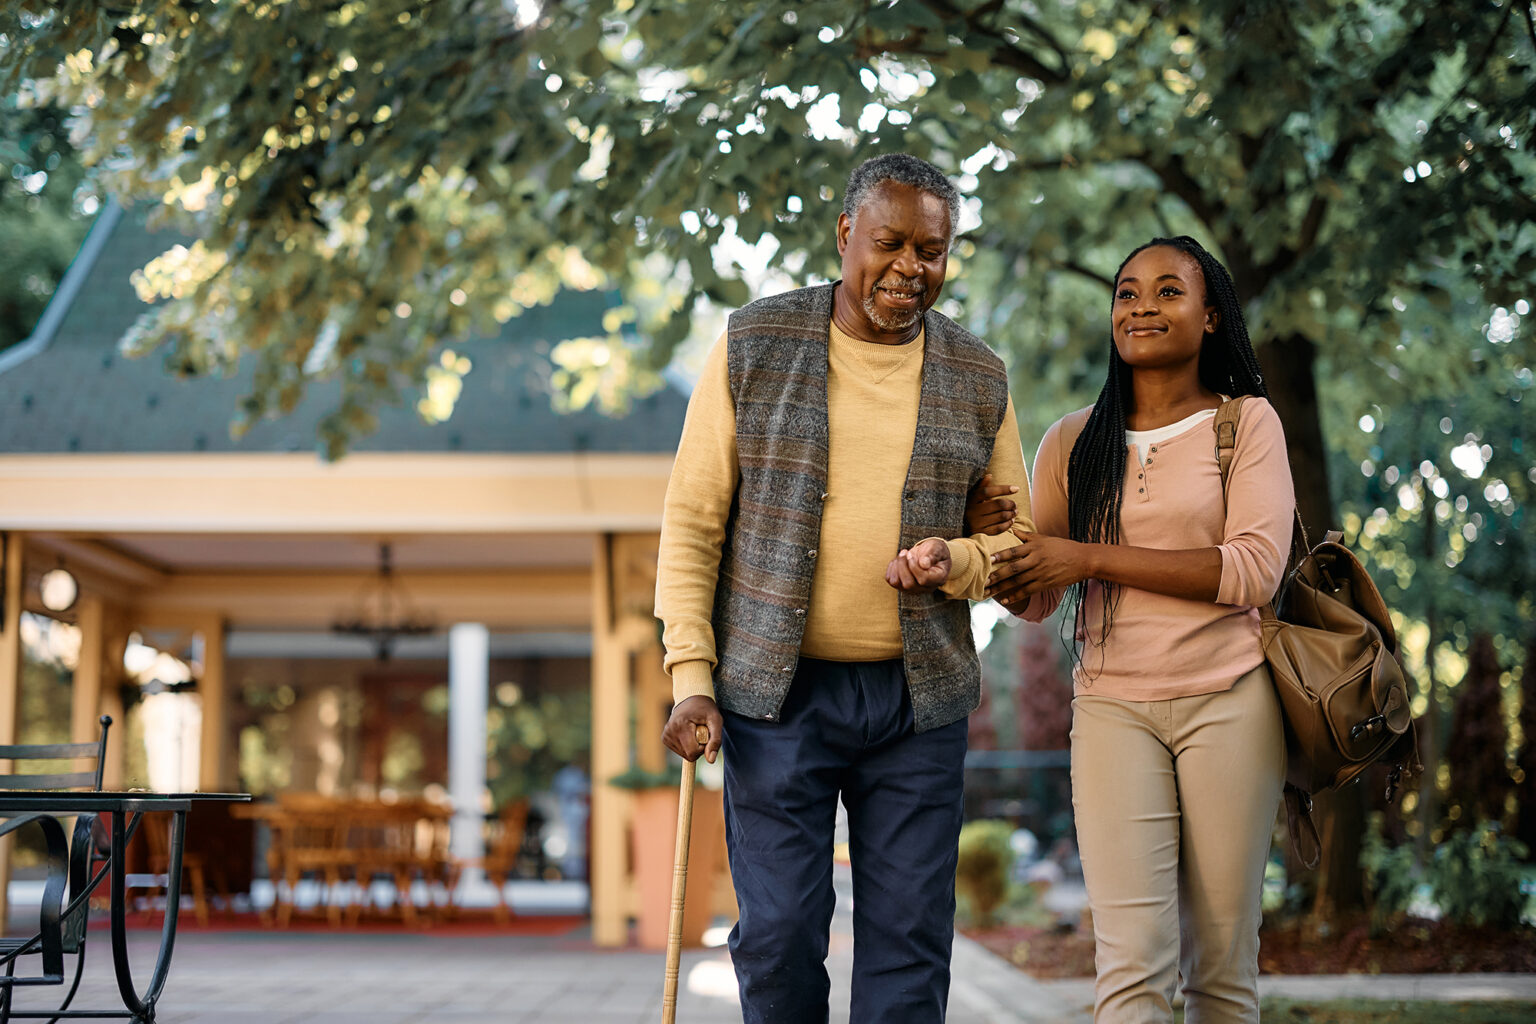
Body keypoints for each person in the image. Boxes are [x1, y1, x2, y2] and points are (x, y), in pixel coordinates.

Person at [655, 153, 1033, 1024]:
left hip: (918, 699)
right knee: (781, 936)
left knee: (909, 946)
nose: (910, 267)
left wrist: (959, 562)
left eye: (931, 251)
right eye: (890, 242)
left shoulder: (979, 376)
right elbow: (694, 520)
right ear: (845, 237)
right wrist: (691, 677)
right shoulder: (755, 343)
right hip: (774, 695)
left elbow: (1014, 537)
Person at [969, 236, 1294, 1023]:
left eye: (1168, 290)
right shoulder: (1072, 443)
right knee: (1130, 969)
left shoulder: (1244, 424)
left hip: (1230, 704)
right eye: (1126, 292)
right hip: (1115, 710)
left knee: (1220, 967)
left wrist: (1084, 555)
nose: (1143, 304)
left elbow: (1252, 571)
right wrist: (993, 544)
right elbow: (1041, 598)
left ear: (1211, 315)